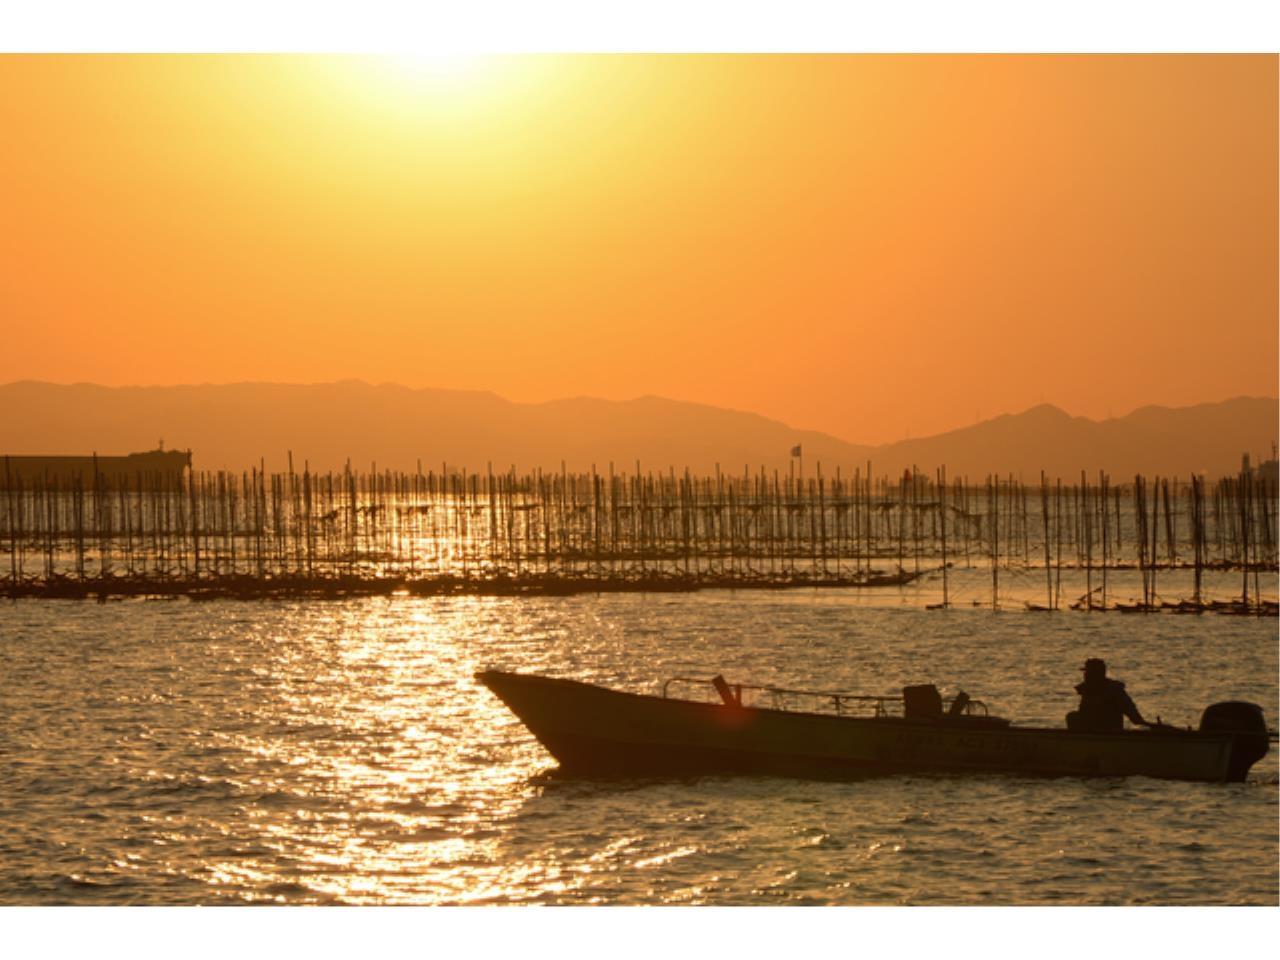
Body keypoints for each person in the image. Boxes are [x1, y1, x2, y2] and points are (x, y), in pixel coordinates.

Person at [1066, 658, 1148, 732]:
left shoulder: (1115, 691)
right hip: (1090, 735)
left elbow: (1134, 717)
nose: (1085, 675)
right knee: (1072, 717)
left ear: (1099, 674)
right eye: (1086, 672)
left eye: (1089, 672)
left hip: (1111, 733)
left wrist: (1151, 726)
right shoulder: (1087, 690)